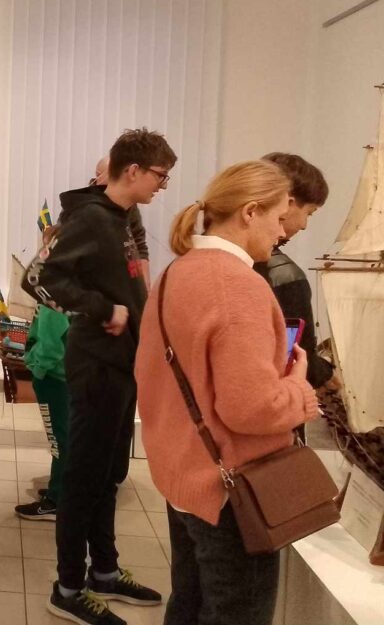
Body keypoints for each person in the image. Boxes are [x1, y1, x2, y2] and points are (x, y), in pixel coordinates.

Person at [135, 161, 319, 625]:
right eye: (280, 218)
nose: (283, 232)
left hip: (184, 474)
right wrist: (298, 387)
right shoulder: (239, 285)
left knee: (189, 603)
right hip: (229, 491)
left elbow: (154, 375)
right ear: (250, 212)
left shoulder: (177, 272)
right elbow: (250, 408)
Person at [25, 128, 174, 625]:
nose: (162, 186)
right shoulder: (90, 217)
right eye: (160, 176)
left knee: (109, 475)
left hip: (122, 363)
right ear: (133, 170)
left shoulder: (121, 217)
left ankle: (104, 572)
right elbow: (40, 277)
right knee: (82, 478)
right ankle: (68, 587)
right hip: (96, 364)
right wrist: (101, 308)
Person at [253, 153, 336, 405]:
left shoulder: (197, 260)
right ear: (287, 203)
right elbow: (300, 357)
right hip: (274, 404)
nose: (304, 226)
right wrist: (327, 372)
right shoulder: (286, 276)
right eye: (309, 213)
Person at [14, 226, 71, 522]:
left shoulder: (53, 292)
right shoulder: (72, 285)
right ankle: (60, 488)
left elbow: (49, 340)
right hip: (65, 374)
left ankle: (57, 499)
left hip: (53, 376)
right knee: (64, 434)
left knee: (58, 438)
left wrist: (37, 367)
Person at [92, 156, 151, 286]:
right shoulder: (83, 209)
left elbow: (139, 245)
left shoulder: (129, 205)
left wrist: (145, 287)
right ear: (99, 177)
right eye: (115, 177)